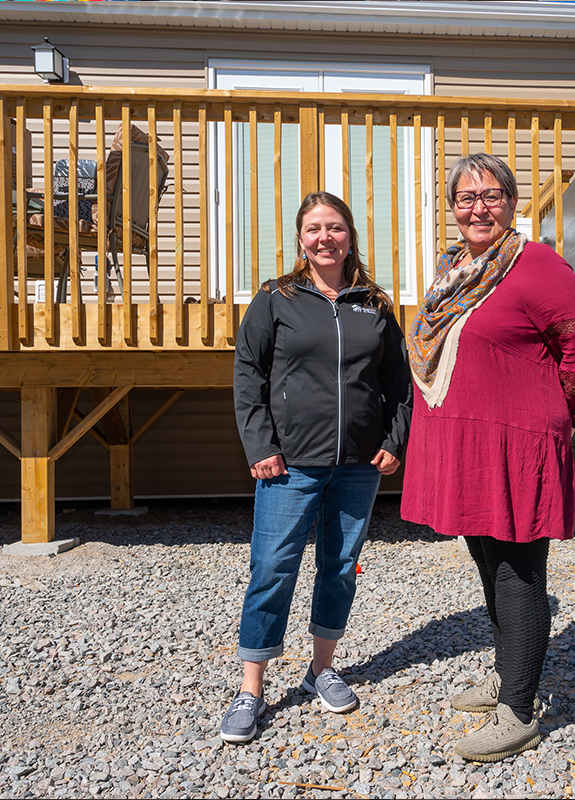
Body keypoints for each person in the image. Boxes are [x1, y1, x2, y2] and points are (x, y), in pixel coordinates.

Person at [402, 153, 575, 762]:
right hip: (473, 443)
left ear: (512, 203)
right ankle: (505, 673)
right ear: (453, 209)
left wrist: (553, 419)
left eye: (490, 196)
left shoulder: (535, 262)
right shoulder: (455, 269)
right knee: (487, 561)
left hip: (518, 443)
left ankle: (520, 708)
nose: (477, 208)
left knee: (519, 574)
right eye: (465, 198)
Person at [221, 191, 412, 744]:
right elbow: (247, 377)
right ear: (300, 239)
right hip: (288, 464)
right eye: (314, 229)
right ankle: (250, 690)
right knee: (272, 569)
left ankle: (320, 669)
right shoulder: (276, 298)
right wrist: (260, 446)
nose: (324, 237)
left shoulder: (374, 304)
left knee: (340, 567)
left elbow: (398, 385)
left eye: (334, 227)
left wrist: (394, 441)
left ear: (350, 236)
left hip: (358, 464)